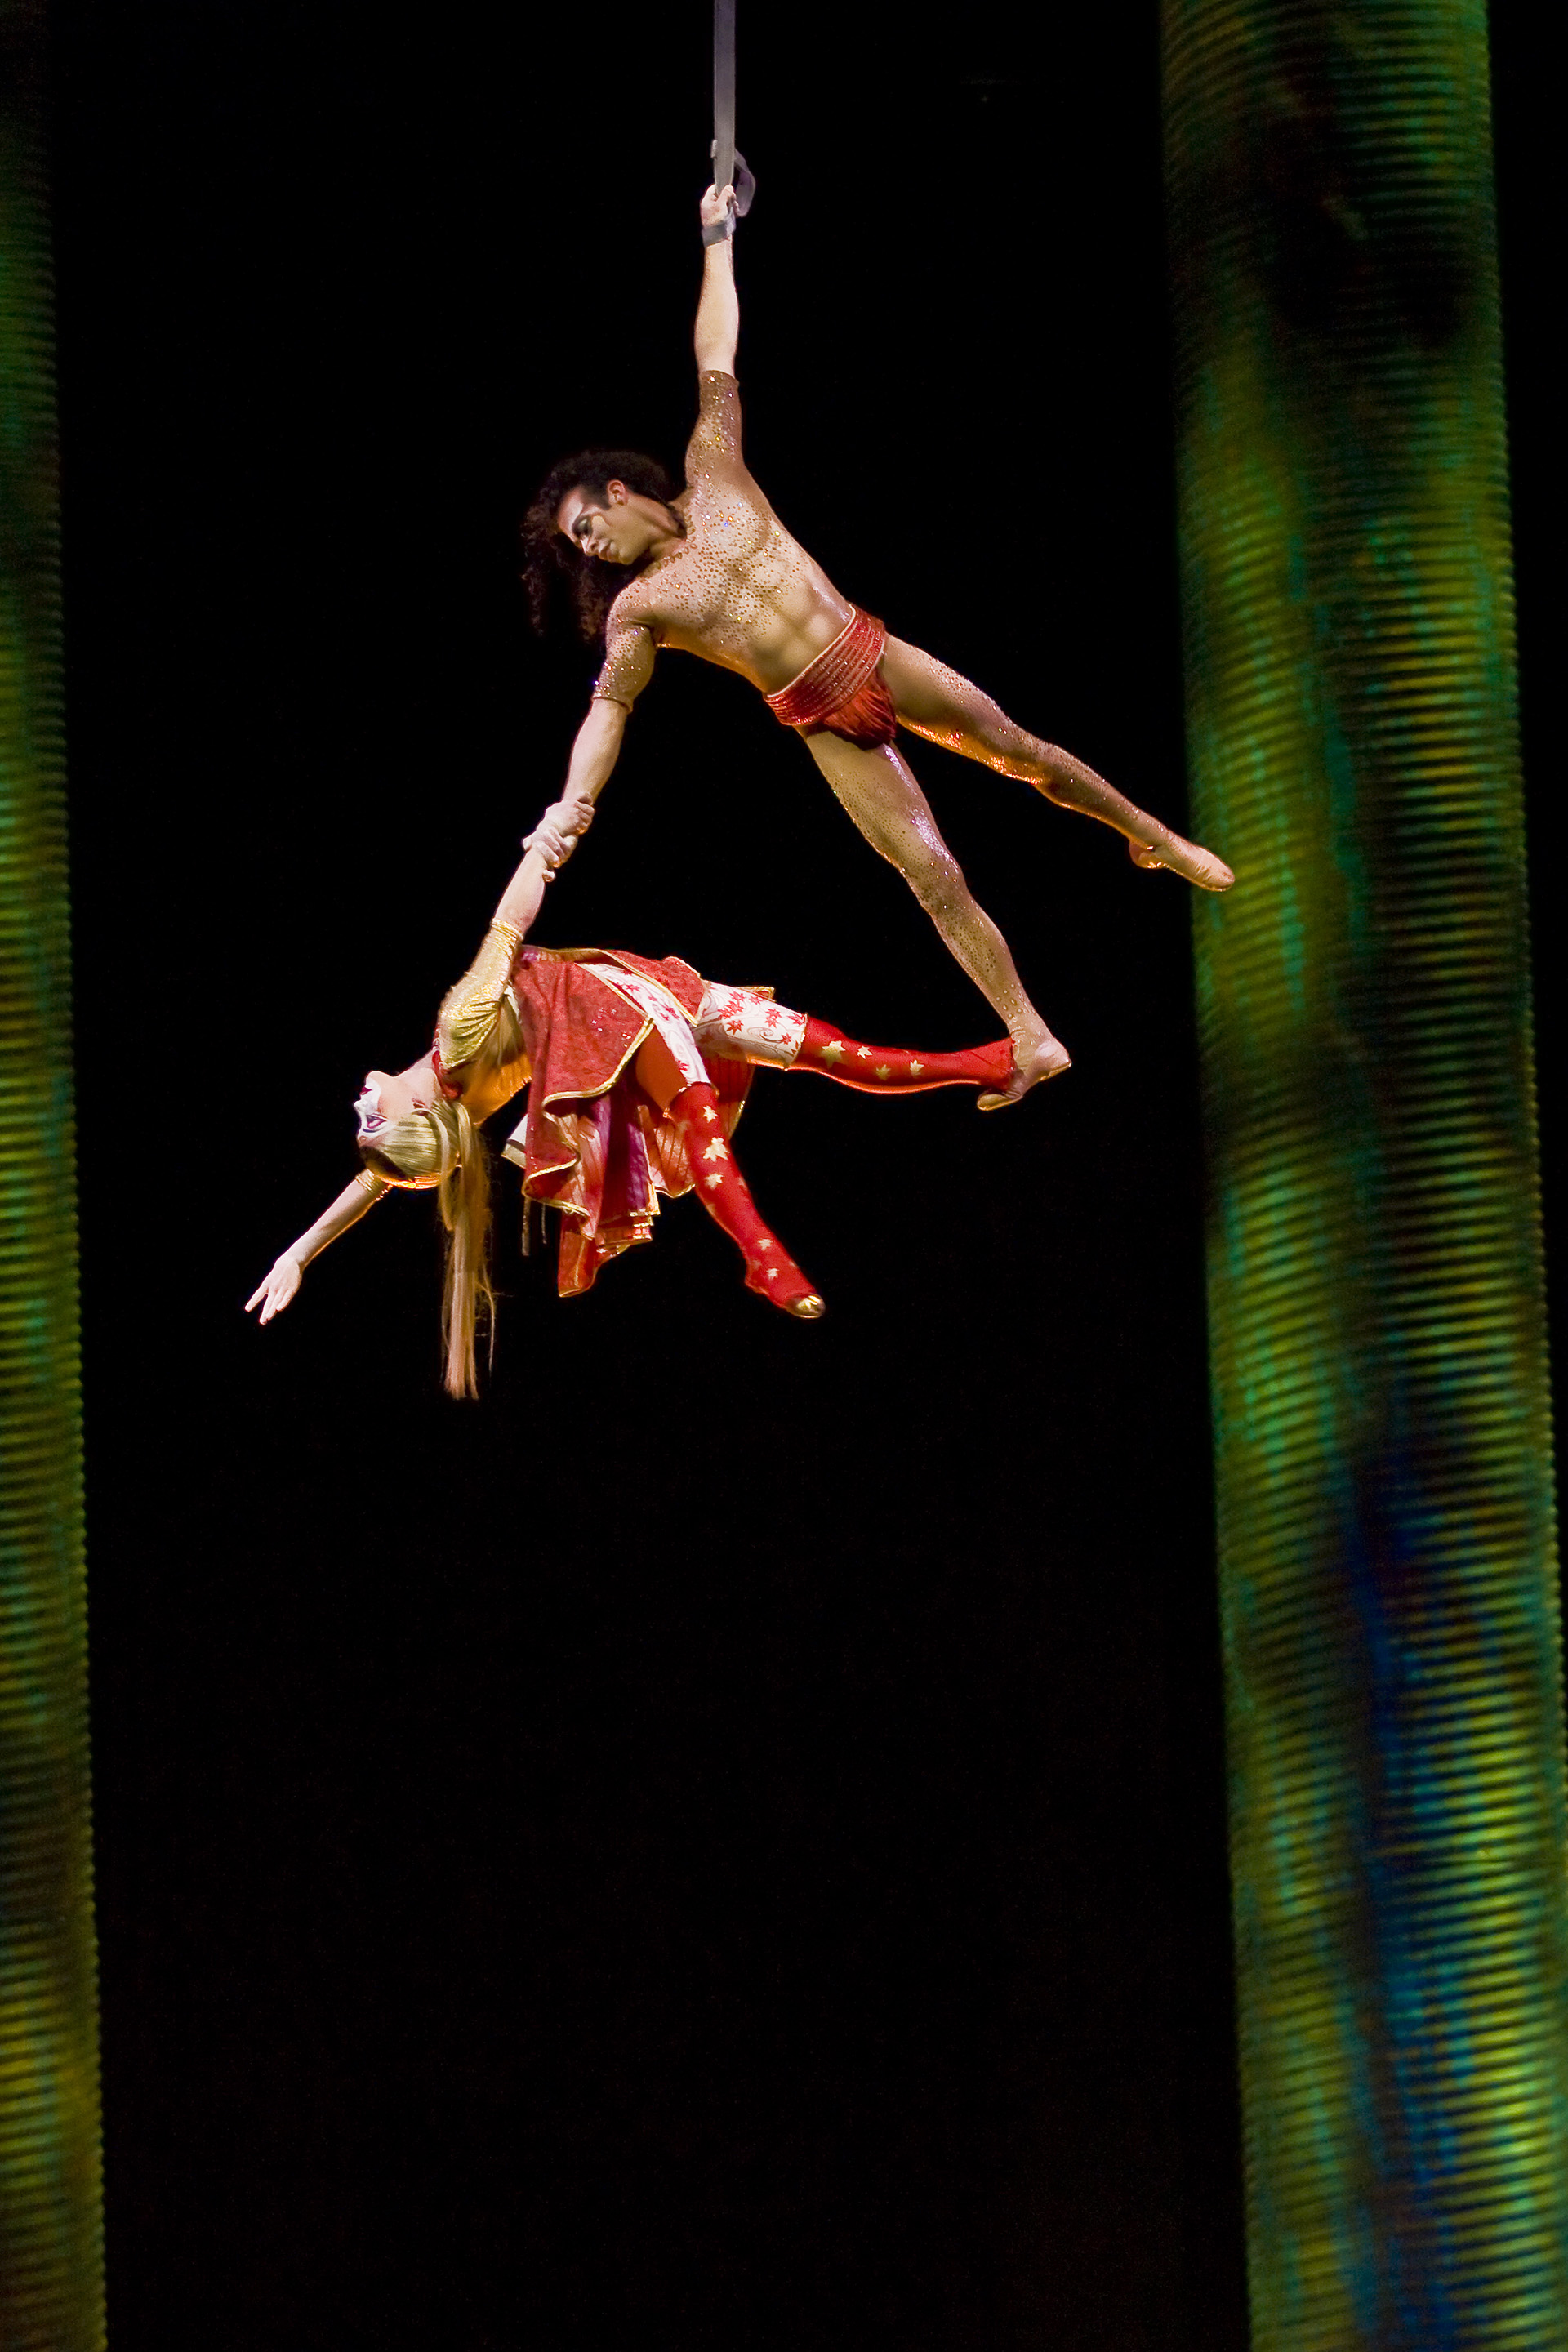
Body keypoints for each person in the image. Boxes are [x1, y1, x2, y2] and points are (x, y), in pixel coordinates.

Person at [518, 180, 1235, 1109]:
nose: (591, 550)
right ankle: (1032, 1034)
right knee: (931, 873)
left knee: (1025, 753)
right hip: (822, 718)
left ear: (618, 493)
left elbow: (715, 350)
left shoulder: (714, 468)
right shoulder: (640, 610)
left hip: (872, 649)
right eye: (578, 549)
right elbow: (609, 712)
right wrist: (572, 803)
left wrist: (717, 239)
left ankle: (1153, 838)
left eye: (587, 527)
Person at [246, 840, 1019, 1394]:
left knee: (830, 1051)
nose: (359, 1105)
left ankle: (993, 1063)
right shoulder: (456, 1032)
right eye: (369, 1120)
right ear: (412, 1110)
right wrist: (545, 845)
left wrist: (299, 1253)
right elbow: (506, 927)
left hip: (647, 991)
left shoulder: (456, 1105)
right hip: (619, 1013)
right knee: (706, 1114)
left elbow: (374, 1184)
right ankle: (763, 1256)